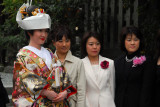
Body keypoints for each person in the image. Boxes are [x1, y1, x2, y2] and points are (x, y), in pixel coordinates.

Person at [12, 1, 76, 107]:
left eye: (46, 31)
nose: (44, 35)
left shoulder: (49, 53)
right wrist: (45, 92)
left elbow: (63, 74)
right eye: (40, 30)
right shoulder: (23, 56)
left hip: (58, 102)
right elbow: (22, 84)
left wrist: (65, 92)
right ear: (29, 31)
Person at [114, 26, 155, 107]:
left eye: (136, 40)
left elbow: (147, 89)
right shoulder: (117, 62)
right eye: (129, 40)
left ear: (140, 42)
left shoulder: (146, 61)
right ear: (124, 42)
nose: (132, 43)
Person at [50, 24, 86, 107]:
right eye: (60, 41)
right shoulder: (48, 62)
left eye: (67, 41)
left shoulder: (78, 63)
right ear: (53, 42)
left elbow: (81, 91)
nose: (64, 44)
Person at [81, 31, 115, 107]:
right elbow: (81, 90)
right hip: (88, 104)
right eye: (91, 44)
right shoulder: (80, 64)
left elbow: (111, 88)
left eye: (97, 44)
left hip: (107, 103)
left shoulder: (110, 63)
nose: (94, 47)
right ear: (85, 46)